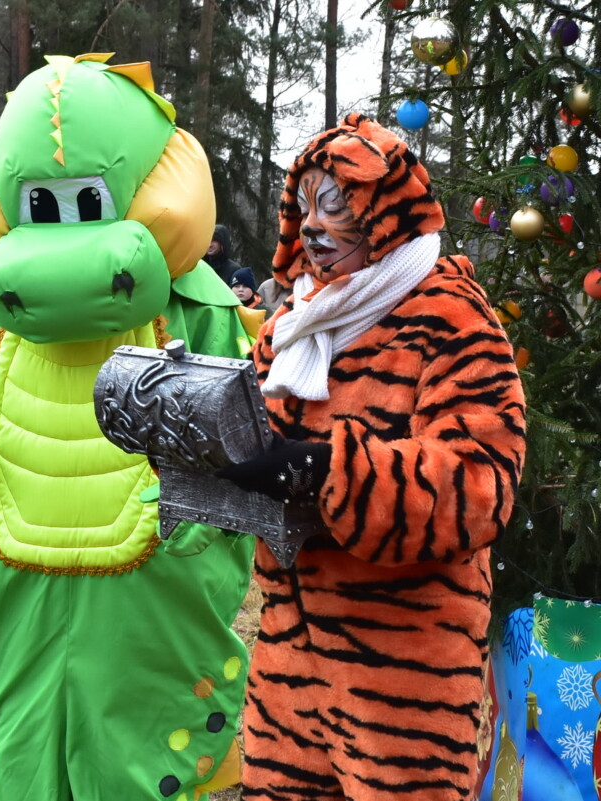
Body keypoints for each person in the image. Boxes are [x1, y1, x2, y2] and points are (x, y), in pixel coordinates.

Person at [0, 54, 254, 800]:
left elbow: (244, 438)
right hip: (15, 576)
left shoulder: (197, 307)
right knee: (20, 735)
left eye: (89, 201)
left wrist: (202, 523)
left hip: (151, 584)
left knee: (133, 737)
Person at [215, 114, 527, 801]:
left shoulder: (451, 315)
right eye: (305, 207)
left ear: (383, 213)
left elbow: (482, 480)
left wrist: (333, 473)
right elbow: (255, 433)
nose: (316, 227)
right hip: (289, 650)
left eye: (338, 206)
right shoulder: (295, 322)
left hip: (404, 659)